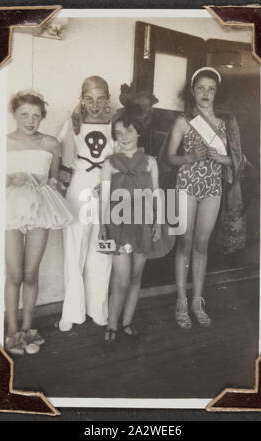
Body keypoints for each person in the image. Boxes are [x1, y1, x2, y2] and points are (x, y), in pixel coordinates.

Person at [167, 67, 244, 329]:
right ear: (192, 90)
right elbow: (168, 158)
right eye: (201, 87)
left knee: (202, 245)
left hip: (212, 187)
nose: (206, 93)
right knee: (185, 244)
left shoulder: (227, 123)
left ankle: (197, 301)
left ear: (217, 92)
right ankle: (180, 300)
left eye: (211, 88)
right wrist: (190, 157)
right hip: (187, 185)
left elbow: (237, 160)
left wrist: (221, 158)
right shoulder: (183, 121)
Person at [5, 90, 73, 355]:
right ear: (14, 114)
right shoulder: (4, 142)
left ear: (43, 117)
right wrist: (12, 179)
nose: (30, 120)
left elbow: (54, 180)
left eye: (36, 116)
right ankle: (12, 330)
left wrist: (50, 182)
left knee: (31, 273)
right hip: (11, 208)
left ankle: (28, 327)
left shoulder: (50, 143)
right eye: (24, 115)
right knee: (14, 273)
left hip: (40, 208)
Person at [99, 108, 161, 344]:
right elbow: (104, 198)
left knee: (136, 277)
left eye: (129, 131)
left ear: (139, 133)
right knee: (122, 278)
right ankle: (112, 324)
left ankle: (126, 322)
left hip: (143, 225)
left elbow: (156, 196)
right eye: (118, 133)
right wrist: (103, 225)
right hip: (119, 226)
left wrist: (157, 222)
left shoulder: (150, 163)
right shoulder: (110, 164)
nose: (123, 137)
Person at [58, 76, 114, 332]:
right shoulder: (73, 124)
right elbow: (65, 163)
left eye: (100, 98)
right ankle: (71, 311)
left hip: (106, 188)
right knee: (75, 249)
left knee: (101, 250)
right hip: (80, 186)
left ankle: (98, 309)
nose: (94, 104)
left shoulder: (115, 125)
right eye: (89, 98)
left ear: (108, 99)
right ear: (82, 99)